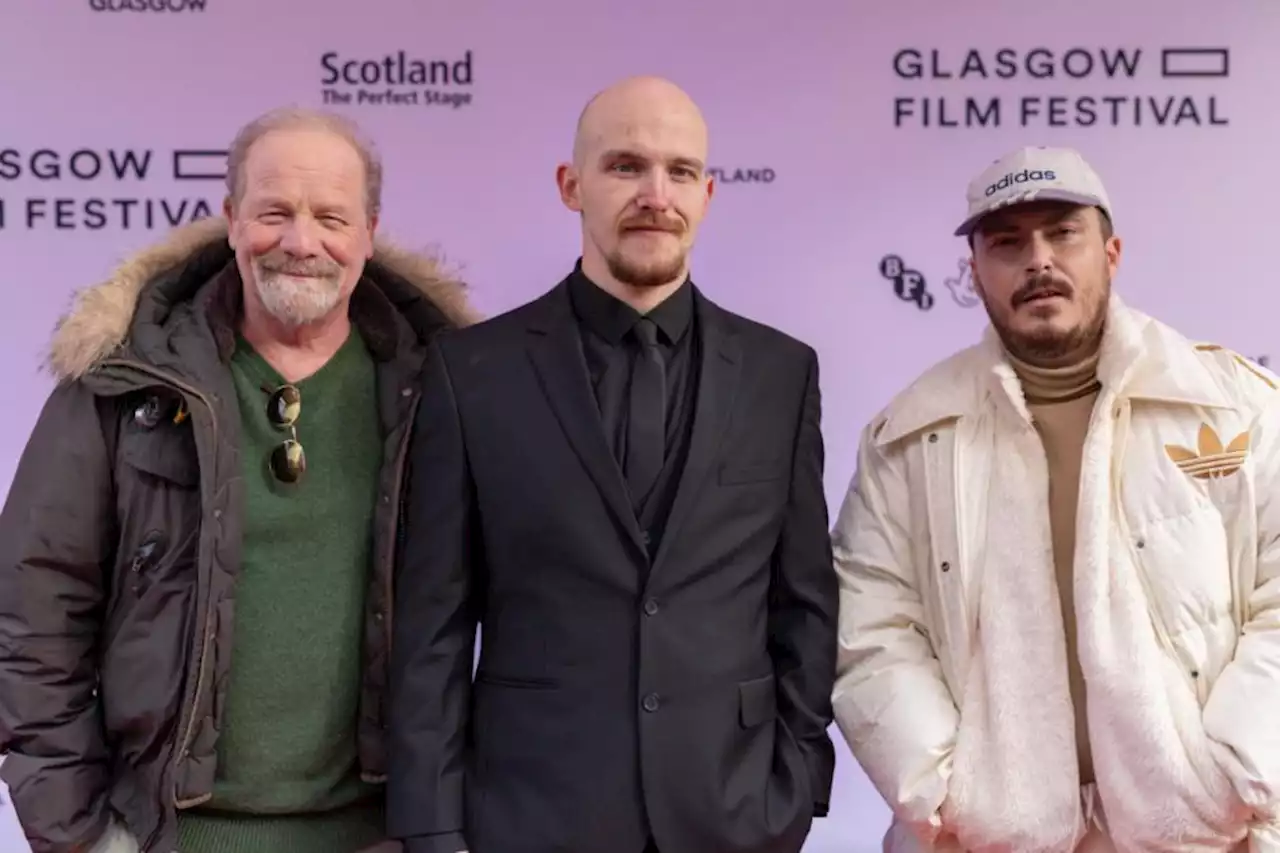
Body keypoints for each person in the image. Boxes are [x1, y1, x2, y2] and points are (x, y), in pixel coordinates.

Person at [0, 107, 479, 853]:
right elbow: (32, 616)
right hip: (173, 837)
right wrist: (79, 837)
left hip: (383, 836)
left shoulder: (446, 389)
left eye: (330, 216)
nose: (301, 241)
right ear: (229, 218)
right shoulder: (126, 383)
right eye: (274, 212)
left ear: (369, 232)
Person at [386, 75, 838, 853]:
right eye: (625, 166)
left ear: (707, 193)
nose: (655, 194)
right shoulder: (472, 373)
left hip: (733, 818)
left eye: (680, 172)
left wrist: (794, 787)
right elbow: (434, 625)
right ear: (572, 185)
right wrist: (433, 826)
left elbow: (803, 602)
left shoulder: (780, 372)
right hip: (529, 818)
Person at [831, 145, 1280, 852]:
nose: (1038, 259)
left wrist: (1234, 773)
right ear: (974, 272)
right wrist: (946, 790)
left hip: (1206, 835)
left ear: (1111, 251)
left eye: (1062, 233)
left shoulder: (1233, 404)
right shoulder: (912, 433)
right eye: (1007, 243)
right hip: (984, 841)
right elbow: (871, 626)